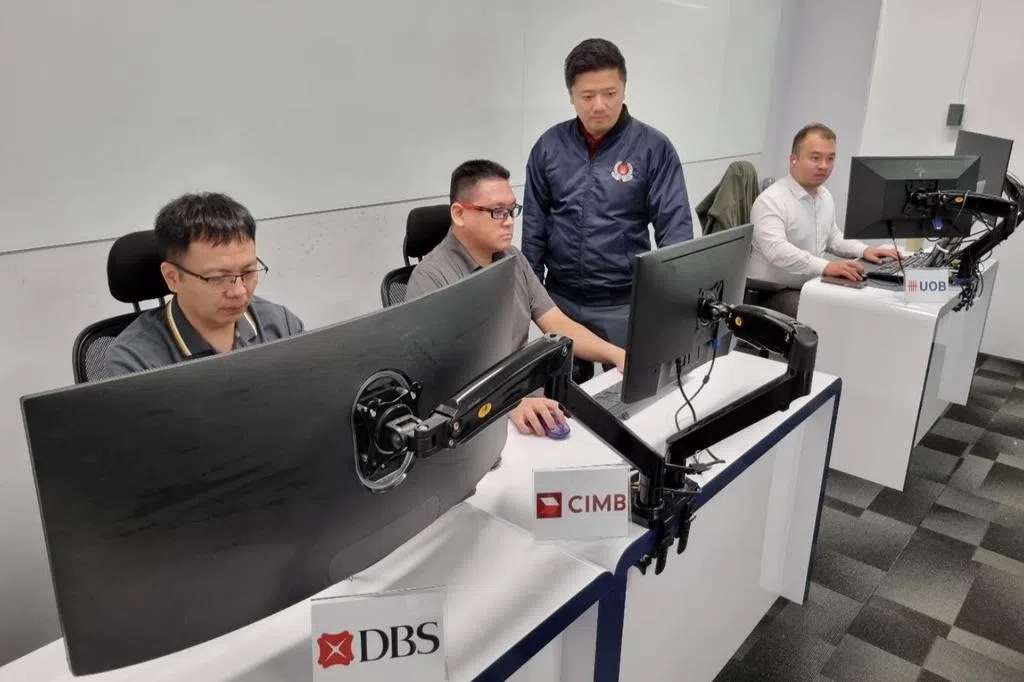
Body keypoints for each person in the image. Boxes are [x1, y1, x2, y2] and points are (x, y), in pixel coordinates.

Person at [407, 159, 626, 437]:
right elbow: (444, 377)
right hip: (473, 421)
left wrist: (618, 355)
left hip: (525, 401)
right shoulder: (431, 279)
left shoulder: (513, 259)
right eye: (497, 212)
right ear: (460, 214)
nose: (510, 222)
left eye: (512, 210)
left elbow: (558, 323)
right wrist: (510, 402)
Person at [522, 38, 693, 374]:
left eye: (610, 93)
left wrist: (671, 301)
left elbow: (675, 230)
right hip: (561, 300)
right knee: (565, 392)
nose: (599, 105)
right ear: (571, 95)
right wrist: (531, 294)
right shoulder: (548, 147)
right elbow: (534, 228)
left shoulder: (653, 148)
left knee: (626, 391)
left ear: (624, 89)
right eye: (587, 96)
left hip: (623, 302)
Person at [104, 192, 304, 376]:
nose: (239, 291)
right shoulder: (135, 360)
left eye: (248, 272)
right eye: (218, 278)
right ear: (172, 277)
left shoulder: (280, 325)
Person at [747, 123, 899, 317]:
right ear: (793, 159)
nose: (824, 166)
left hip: (812, 285)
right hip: (772, 293)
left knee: (863, 304)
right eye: (815, 158)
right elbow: (777, 251)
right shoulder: (771, 201)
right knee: (827, 315)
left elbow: (832, 237)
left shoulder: (824, 195)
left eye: (830, 159)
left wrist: (864, 250)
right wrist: (826, 266)